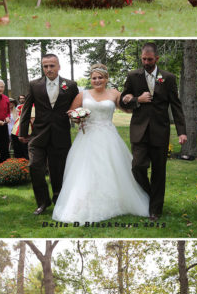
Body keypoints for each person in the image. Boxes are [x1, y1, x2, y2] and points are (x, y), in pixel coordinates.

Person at [52, 63, 149, 224]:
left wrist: (137, 100)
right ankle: (85, 202)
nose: (97, 81)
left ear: (106, 79)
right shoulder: (83, 95)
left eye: (100, 77)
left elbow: (127, 109)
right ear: (90, 79)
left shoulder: (114, 93)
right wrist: (77, 117)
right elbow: (71, 113)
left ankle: (115, 201)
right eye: (94, 78)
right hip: (87, 137)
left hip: (108, 136)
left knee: (112, 168)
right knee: (86, 171)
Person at [120, 42, 187, 219]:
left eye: (149, 59)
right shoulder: (133, 76)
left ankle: (155, 209)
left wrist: (182, 131)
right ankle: (150, 196)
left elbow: (176, 106)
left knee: (159, 171)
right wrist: (136, 99)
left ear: (156, 58)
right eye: (143, 59)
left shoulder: (169, 78)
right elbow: (123, 100)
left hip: (160, 131)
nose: (146, 62)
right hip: (139, 130)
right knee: (137, 167)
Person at [19, 53, 78, 215]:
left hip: (60, 134)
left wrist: (80, 119)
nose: (49, 69)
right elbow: (26, 109)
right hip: (38, 134)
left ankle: (58, 199)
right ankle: (42, 202)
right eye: (45, 66)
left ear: (59, 66)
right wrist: (23, 132)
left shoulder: (70, 85)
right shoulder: (34, 85)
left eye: (52, 65)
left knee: (58, 170)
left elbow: (77, 107)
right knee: (34, 166)